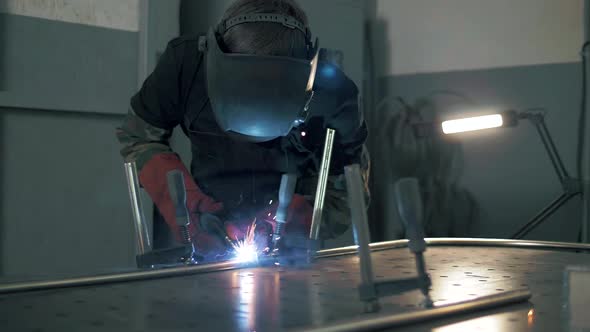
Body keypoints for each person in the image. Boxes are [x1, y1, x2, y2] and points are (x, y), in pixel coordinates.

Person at [116, 0, 369, 260]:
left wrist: (303, 216)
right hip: (207, 226)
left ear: (306, 73)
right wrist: (188, 206)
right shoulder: (186, 65)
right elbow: (138, 136)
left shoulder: (333, 92)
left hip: (290, 247)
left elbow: (348, 187)